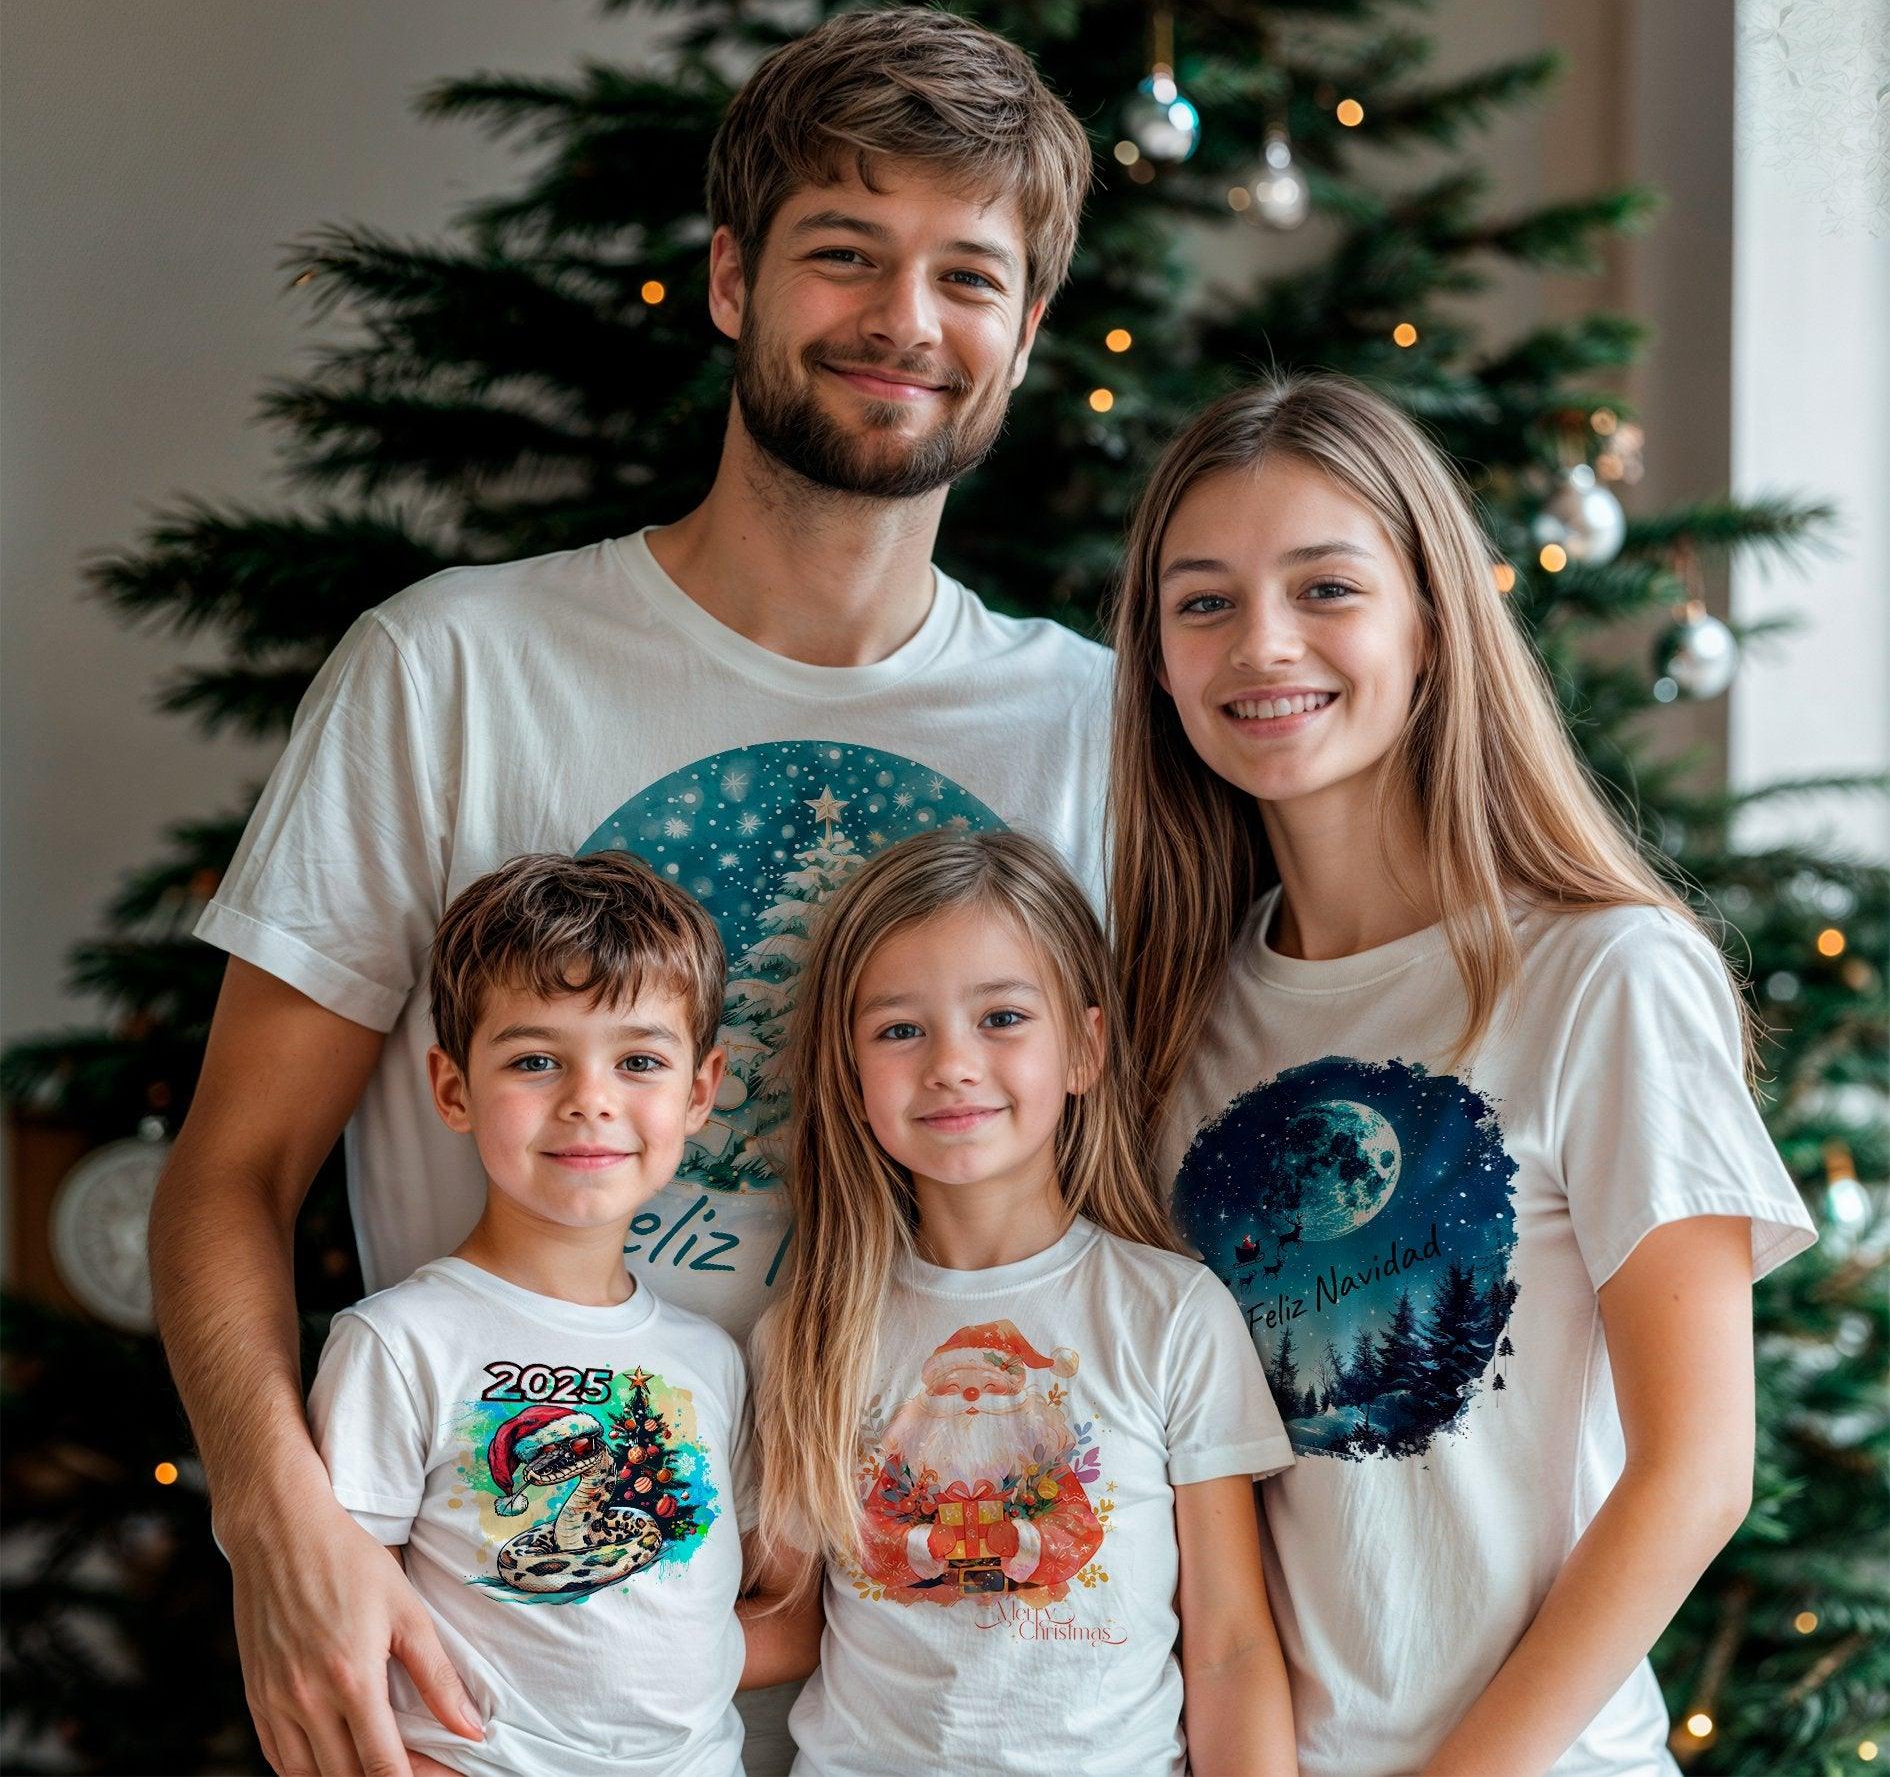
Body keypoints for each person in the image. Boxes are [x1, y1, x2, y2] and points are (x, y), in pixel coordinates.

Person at [149, 7, 1099, 1777]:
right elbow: (233, 1168)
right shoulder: (451, 668)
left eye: (971, 276)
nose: (907, 321)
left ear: (1029, 331)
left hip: (966, 1688)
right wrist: (280, 1529)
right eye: (846, 254)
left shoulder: (1100, 730)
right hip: (494, 1691)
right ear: (733, 279)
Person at [1105, 373, 1818, 1777]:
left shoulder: (1603, 976)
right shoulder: (1170, 1020)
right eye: (1201, 602)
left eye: (1325, 588)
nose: (1260, 643)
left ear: (1429, 624)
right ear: (1156, 659)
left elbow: (1694, 1474)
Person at [751, 829, 1298, 1777]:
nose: (951, 1064)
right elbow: (782, 1622)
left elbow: (1231, 1647)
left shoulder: (1171, 1314)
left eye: (1001, 1018)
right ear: (849, 1073)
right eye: (899, 1030)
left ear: (1083, 1048)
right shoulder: (808, 1333)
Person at [309, 849, 790, 1777]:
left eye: (639, 1061)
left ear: (700, 1091)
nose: (589, 1101)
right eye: (536, 1060)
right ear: (453, 1088)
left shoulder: (712, 1361)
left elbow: (728, 1613)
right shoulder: (398, 1344)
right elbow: (339, 1636)